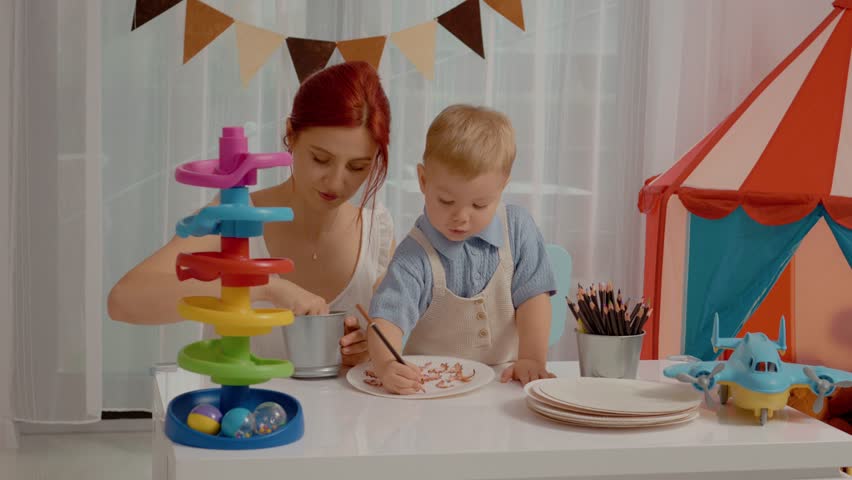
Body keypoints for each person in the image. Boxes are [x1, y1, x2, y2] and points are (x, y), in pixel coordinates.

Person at [107, 61, 395, 366]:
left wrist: (370, 346)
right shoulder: (233, 218)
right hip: (238, 410)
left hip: (341, 414)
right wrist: (261, 286)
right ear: (291, 135)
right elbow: (124, 300)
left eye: (357, 167)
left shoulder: (377, 233)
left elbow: (389, 340)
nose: (337, 182)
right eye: (321, 159)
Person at [366, 104, 557, 394]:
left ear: (502, 186)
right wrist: (386, 365)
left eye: (479, 204)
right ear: (423, 180)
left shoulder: (517, 228)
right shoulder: (414, 254)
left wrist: (531, 358)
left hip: (504, 381)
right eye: (445, 201)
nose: (461, 217)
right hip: (434, 388)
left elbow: (534, 298)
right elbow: (388, 319)